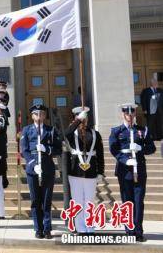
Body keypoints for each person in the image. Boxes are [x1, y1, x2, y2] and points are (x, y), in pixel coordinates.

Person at [109, 104, 156, 242]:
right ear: (122, 114)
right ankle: (129, 230)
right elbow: (113, 149)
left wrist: (140, 147)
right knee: (127, 201)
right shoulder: (117, 131)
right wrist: (124, 160)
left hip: (140, 170)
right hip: (125, 171)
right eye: (127, 114)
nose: (129, 116)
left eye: (132, 114)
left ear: (135, 114)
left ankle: (138, 231)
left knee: (138, 201)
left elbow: (151, 148)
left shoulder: (143, 130)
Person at [20, 104, 62, 239]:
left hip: (48, 168)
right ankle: (38, 229)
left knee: (46, 200)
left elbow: (58, 149)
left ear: (45, 116)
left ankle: (47, 228)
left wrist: (47, 149)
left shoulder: (51, 130)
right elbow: (24, 150)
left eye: (42, 114)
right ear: (32, 115)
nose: (39, 116)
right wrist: (32, 163)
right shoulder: (26, 130)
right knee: (35, 200)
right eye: (36, 114)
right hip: (33, 169)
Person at [64, 106, 104, 235]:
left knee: (89, 200)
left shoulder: (94, 133)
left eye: (84, 118)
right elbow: (66, 134)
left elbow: (100, 154)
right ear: (75, 117)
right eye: (80, 117)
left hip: (91, 171)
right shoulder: (73, 132)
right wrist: (77, 122)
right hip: (75, 170)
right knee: (77, 200)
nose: (83, 120)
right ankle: (80, 227)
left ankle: (89, 226)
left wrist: (100, 172)